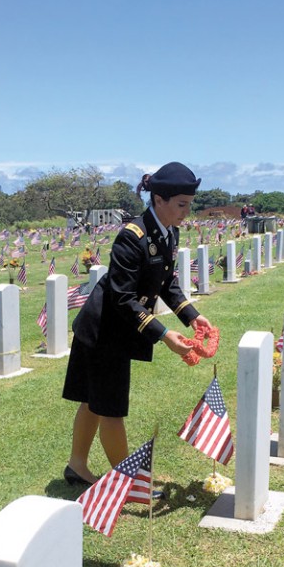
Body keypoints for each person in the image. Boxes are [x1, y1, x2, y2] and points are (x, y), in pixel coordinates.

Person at [62, 161, 213, 487]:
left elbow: (166, 284)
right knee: (110, 408)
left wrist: (192, 316)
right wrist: (163, 334)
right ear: (159, 199)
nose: (186, 212)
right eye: (181, 204)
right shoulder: (132, 237)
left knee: (94, 401)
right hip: (103, 332)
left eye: (189, 204)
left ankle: (77, 465)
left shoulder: (167, 232)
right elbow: (122, 297)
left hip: (118, 329)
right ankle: (126, 484)